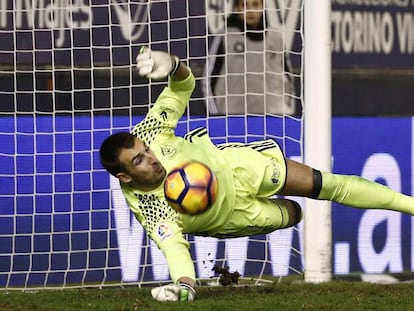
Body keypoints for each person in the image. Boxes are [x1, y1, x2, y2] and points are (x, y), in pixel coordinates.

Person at [99, 48, 414, 302]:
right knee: (292, 214)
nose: (151, 160)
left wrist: (172, 63)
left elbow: (183, 86)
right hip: (232, 215)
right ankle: (282, 212)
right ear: (125, 178)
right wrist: (184, 287)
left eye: (147, 151)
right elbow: (175, 251)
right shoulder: (151, 211)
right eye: (139, 161)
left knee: (322, 183)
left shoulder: (150, 131)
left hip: (239, 169)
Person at [204, 0, 296, 115]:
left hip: (274, 118)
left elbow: (288, 76)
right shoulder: (225, 37)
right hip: (233, 117)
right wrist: (216, 115)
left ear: (263, 7)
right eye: (244, 5)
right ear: (237, 8)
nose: (250, 10)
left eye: (255, 4)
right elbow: (208, 79)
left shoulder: (275, 37)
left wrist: (288, 110)